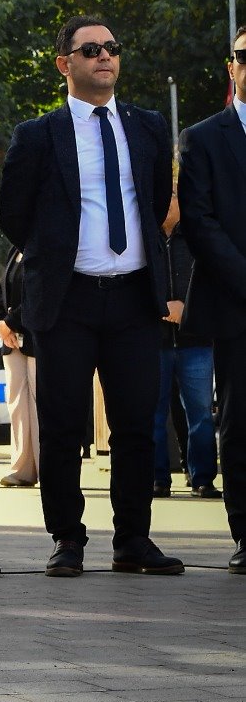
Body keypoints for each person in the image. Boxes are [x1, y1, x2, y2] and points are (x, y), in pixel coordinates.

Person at [0, 16, 180, 577]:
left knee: (135, 425)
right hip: (66, 300)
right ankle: (67, 540)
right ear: (64, 64)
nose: (105, 56)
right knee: (61, 426)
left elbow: (155, 204)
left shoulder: (148, 127)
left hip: (133, 298)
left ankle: (133, 541)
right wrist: (55, 252)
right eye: (91, 49)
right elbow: (12, 216)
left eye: (112, 48)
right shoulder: (38, 135)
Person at [177, 23, 246, 573]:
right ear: (231, 66)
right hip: (236, 305)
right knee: (240, 423)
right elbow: (198, 223)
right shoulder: (201, 138)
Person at [152, 189, 218, 500]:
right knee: (153, 413)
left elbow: (210, 283)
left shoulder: (196, 237)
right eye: (164, 195)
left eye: (174, 195)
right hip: (155, 341)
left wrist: (185, 310)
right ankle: (157, 479)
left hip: (196, 340)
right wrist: (160, 308)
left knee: (201, 414)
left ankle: (202, 478)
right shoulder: (146, 238)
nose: (167, 202)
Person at [0, 245, 38, 489]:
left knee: (39, 404)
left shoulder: (41, 248)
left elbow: (39, 292)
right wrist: (0, 323)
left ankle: (46, 467)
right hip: (11, 341)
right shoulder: (13, 250)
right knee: (17, 405)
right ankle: (22, 470)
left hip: (37, 337)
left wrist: (10, 323)